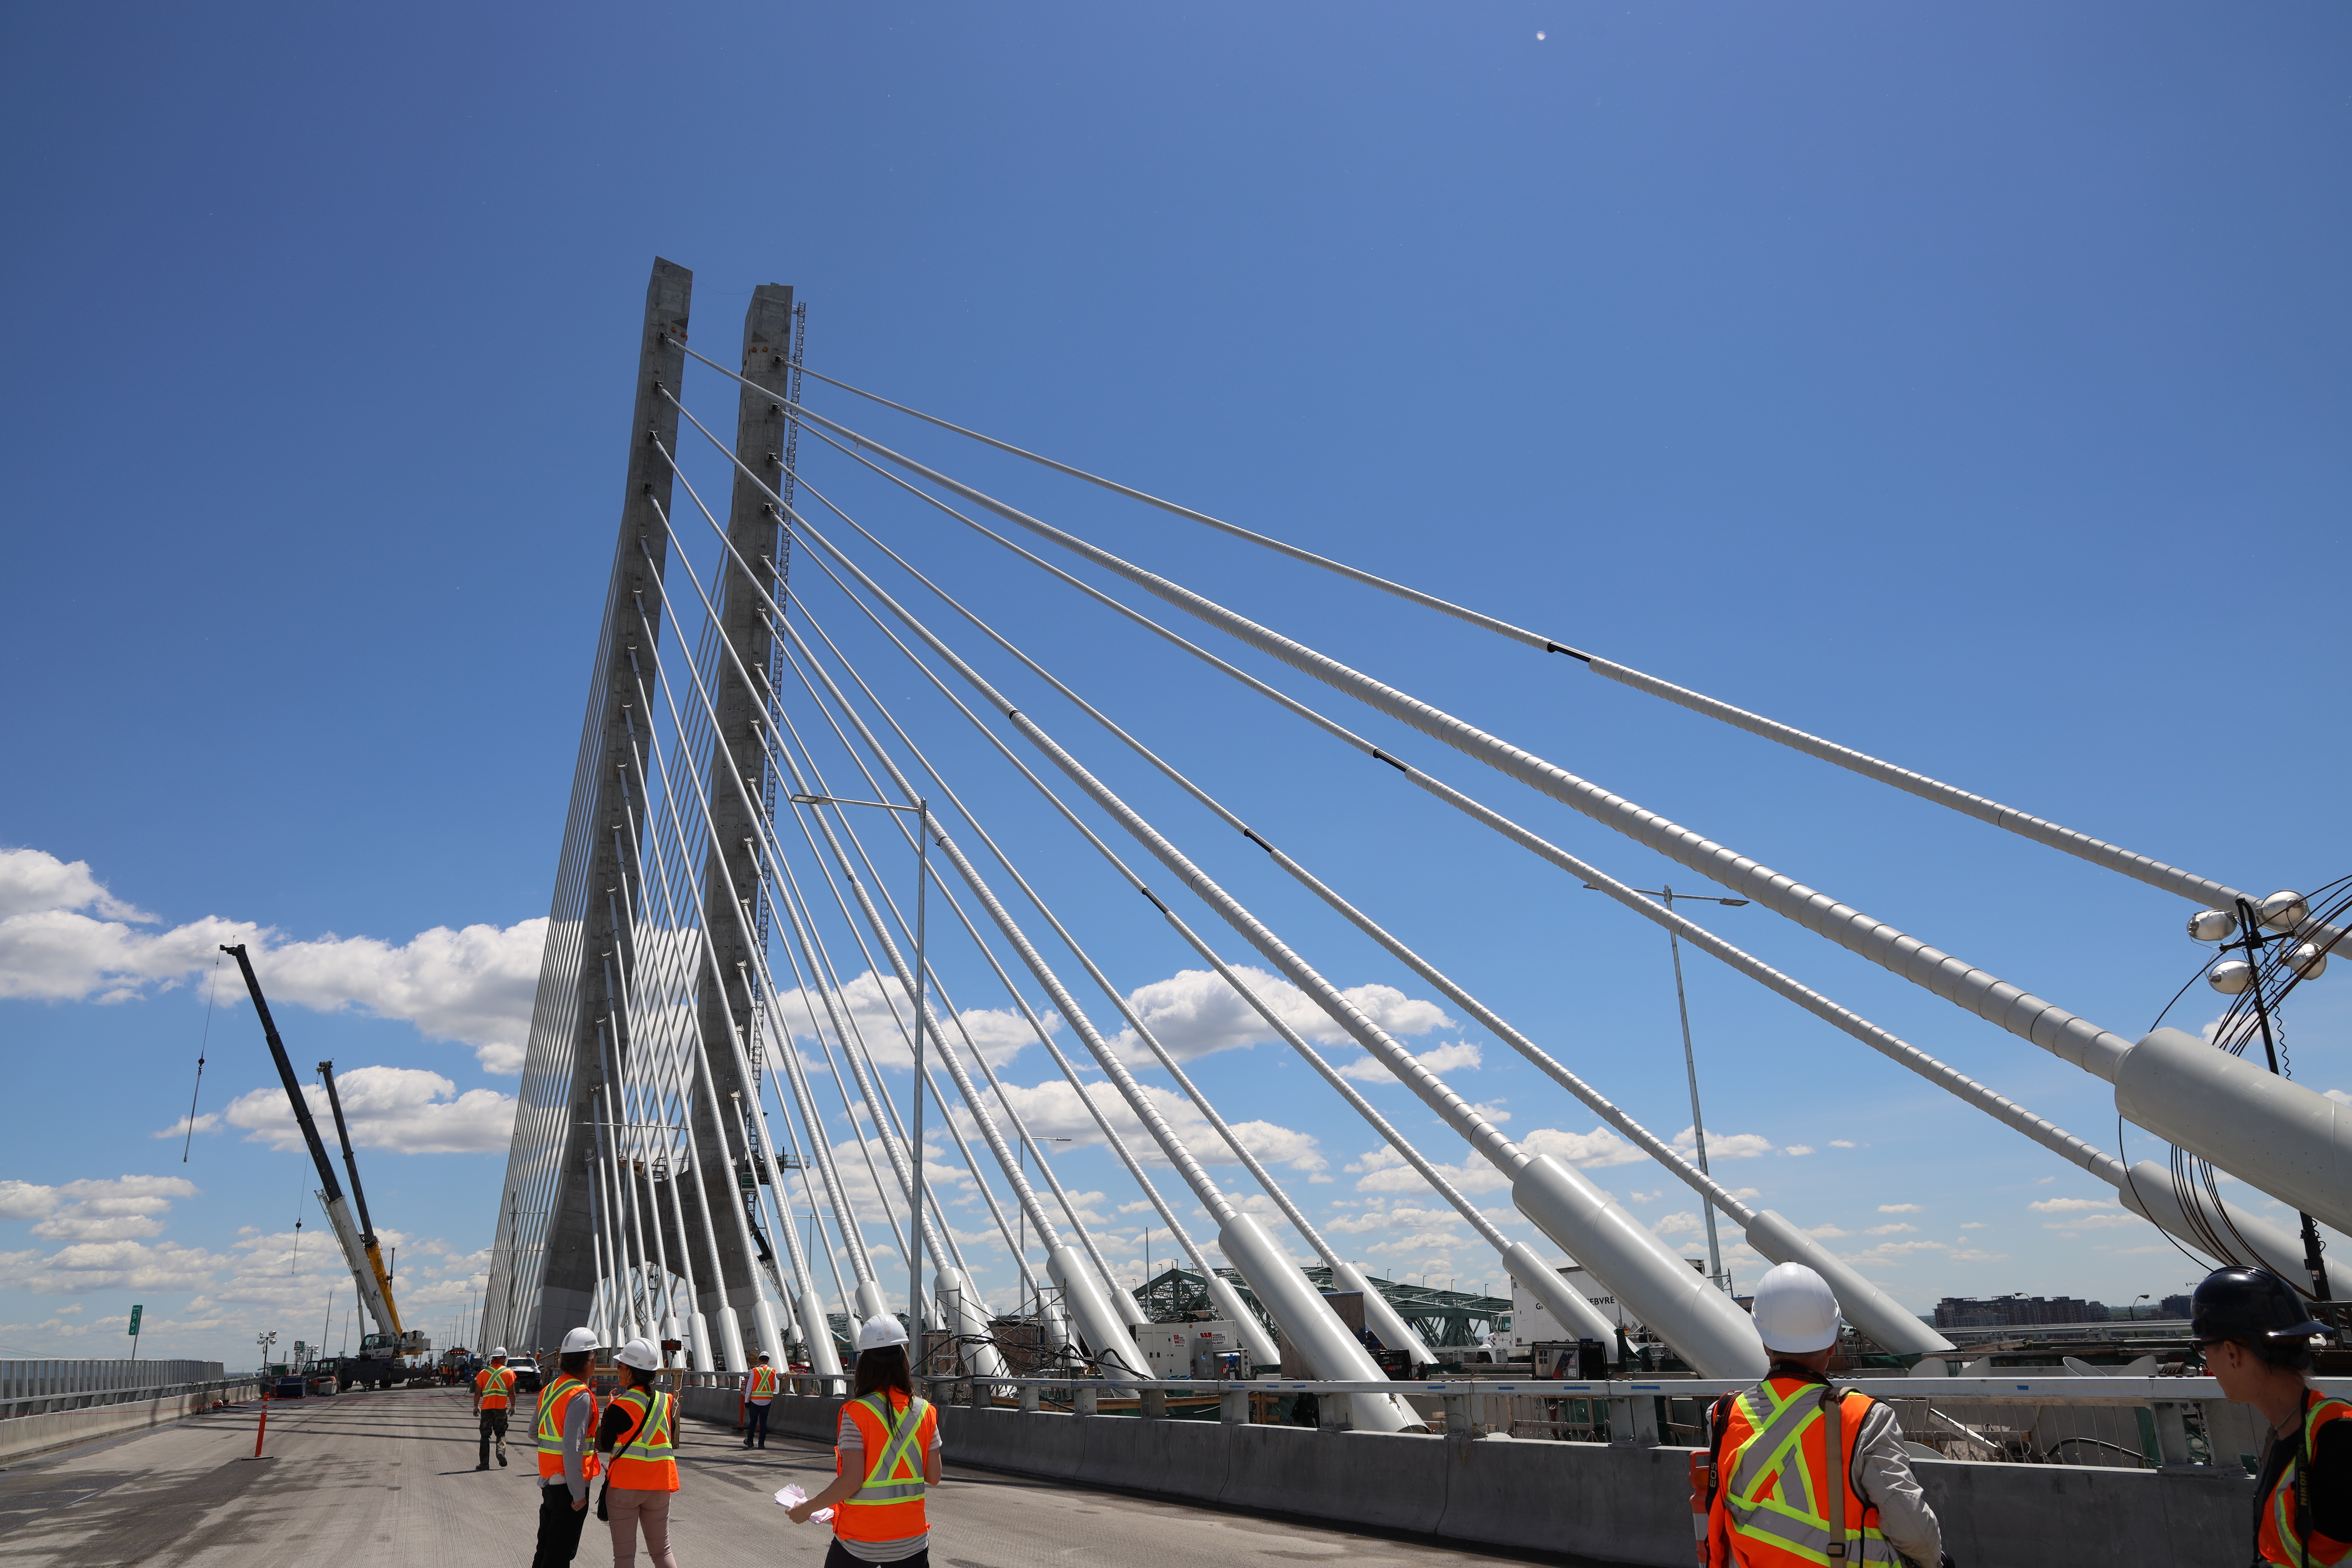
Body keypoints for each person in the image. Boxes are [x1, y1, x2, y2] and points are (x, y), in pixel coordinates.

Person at [1704, 1263, 1942, 1568]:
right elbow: (1912, 1528)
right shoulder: (1865, 1418)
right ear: (1832, 1345)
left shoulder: (1725, 1415)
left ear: (1765, 1343)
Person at [2192, 1265, 2349, 1565]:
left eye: (2204, 1349)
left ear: (2231, 1353)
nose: (2207, 1363)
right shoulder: (2289, 1433)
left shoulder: (2339, 1438)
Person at [787, 1314, 943, 1567]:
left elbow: (852, 1480)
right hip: (912, 1541)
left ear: (865, 1364)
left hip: (860, 1542)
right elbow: (934, 1475)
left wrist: (808, 1509)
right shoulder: (926, 1411)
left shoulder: (856, 1413)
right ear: (903, 1361)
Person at [597, 1337, 681, 1568]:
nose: (618, 1370)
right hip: (660, 1485)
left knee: (625, 1558)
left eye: (621, 1366)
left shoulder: (620, 1406)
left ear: (632, 1373)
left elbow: (605, 1444)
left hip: (625, 1486)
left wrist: (609, 1410)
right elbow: (669, 1437)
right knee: (662, 1551)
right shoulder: (666, 1401)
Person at [532, 1328, 602, 1568]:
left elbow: (533, 1432)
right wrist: (578, 1493)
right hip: (569, 1487)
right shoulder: (580, 1395)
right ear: (590, 1361)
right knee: (560, 1554)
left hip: (549, 1480)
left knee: (546, 1549)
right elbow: (573, 1448)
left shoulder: (550, 1390)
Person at [476, 1346, 518, 1470]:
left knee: (485, 1435)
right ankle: (500, 1451)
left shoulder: (483, 1373)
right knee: (501, 1433)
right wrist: (513, 1406)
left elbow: (478, 1392)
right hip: (501, 1409)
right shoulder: (509, 1373)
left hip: (486, 1409)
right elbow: (512, 1392)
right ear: (503, 1358)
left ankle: (484, 1464)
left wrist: (475, 1406)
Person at [743, 1353, 780, 1450]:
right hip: (767, 1401)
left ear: (759, 1361)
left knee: (753, 1422)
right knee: (764, 1422)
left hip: (754, 1401)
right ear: (768, 1361)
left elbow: (749, 1387)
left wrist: (747, 1401)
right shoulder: (772, 1371)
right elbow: (775, 1386)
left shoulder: (755, 1371)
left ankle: (750, 1442)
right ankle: (761, 1444)